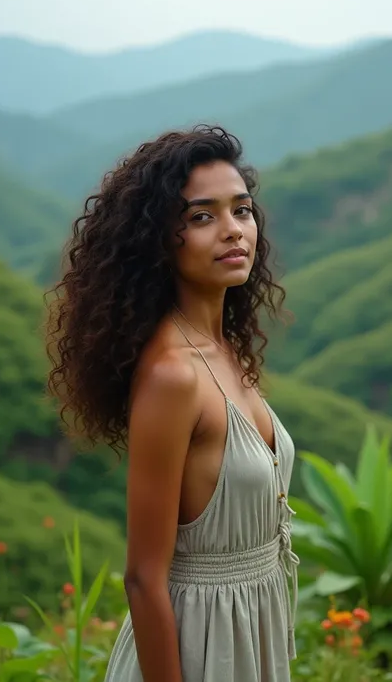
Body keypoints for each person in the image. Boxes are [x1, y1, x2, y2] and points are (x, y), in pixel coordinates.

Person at [46, 125, 299, 682]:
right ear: (159, 239)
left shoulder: (223, 348)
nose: (234, 232)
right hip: (197, 647)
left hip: (250, 637)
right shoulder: (172, 375)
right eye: (202, 216)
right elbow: (143, 576)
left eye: (242, 210)